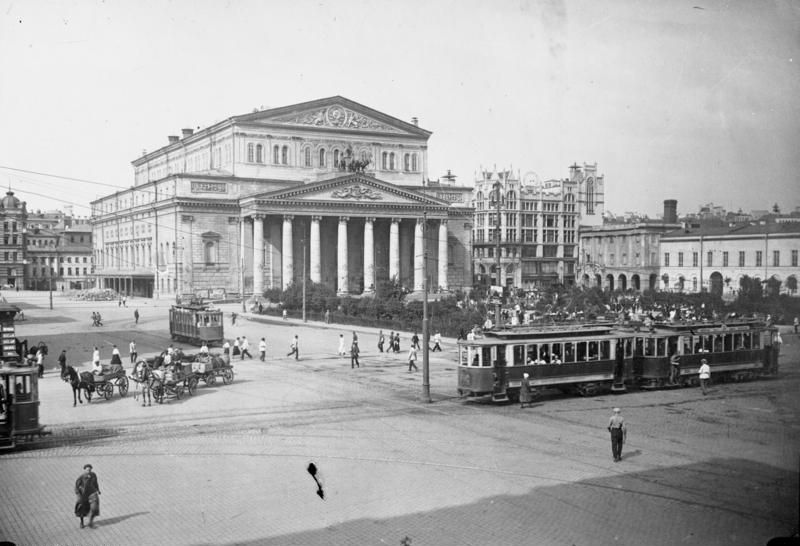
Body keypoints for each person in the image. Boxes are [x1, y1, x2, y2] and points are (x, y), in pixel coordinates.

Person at [74, 463, 101, 529]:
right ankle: (82, 522)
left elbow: (95, 483)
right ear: (85, 470)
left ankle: (90, 522)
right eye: (87, 470)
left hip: (92, 493)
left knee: (94, 508)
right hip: (84, 495)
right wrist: (78, 494)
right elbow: (76, 486)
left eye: (89, 470)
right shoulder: (81, 477)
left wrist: (98, 490)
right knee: (81, 509)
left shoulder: (93, 475)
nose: (88, 471)